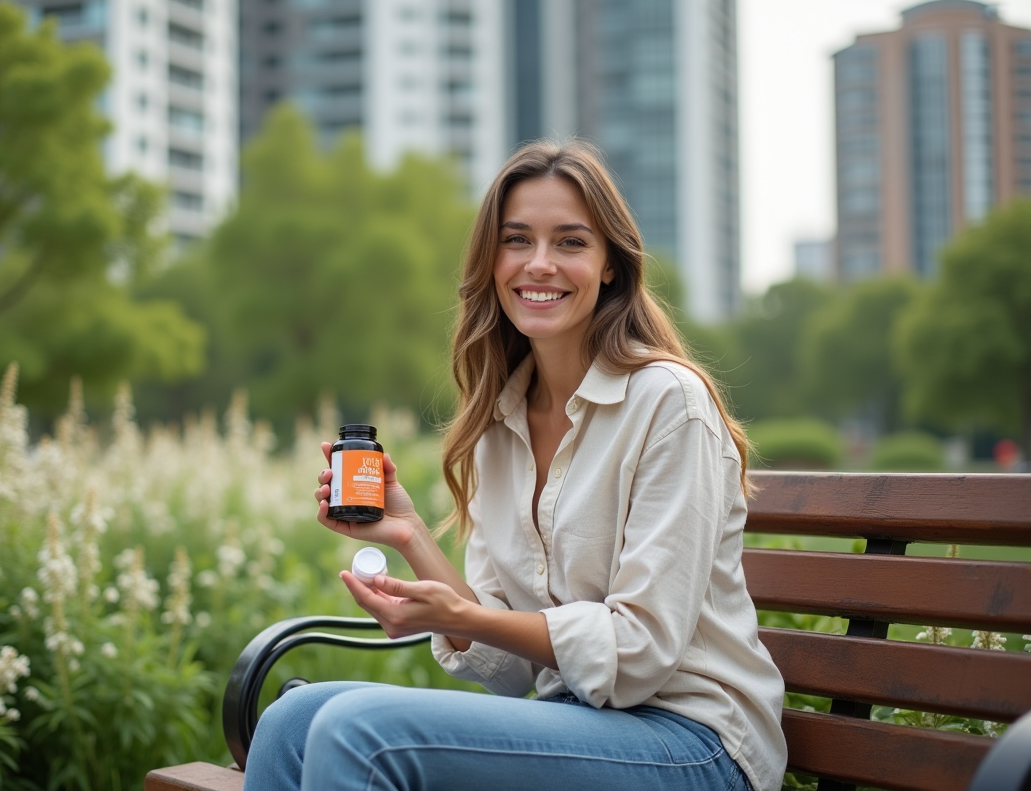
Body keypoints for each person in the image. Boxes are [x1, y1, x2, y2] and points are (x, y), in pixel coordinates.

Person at [242, 141, 787, 791]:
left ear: (610, 267)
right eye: (517, 240)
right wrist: (411, 537)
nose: (540, 263)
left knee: (357, 730)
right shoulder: (500, 423)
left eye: (571, 242)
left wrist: (459, 617)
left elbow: (640, 652)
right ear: (492, 262)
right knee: (291, 720)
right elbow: (506, 669)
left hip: (696, 744)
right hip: (577, 724)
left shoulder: (668, 403)